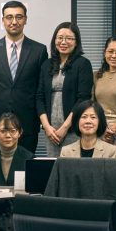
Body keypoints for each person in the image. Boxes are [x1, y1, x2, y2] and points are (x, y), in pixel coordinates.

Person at [0, 1, 49, 152]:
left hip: (27, 123)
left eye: (19, 17)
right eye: (9, 17)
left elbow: (41, 89)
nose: (14, 21)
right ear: (3, 20)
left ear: (25, 19)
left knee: (25, 171)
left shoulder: (39, 50)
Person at [37, 22, 93, 156]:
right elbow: (39, 97)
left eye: (69, 38)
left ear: (76, 42)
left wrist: (65, 128)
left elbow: (83, 99)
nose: (63, 42)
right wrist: (47, 127)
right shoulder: (47, 64)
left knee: (72, 169)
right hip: (51, 131)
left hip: (72, 129)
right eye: (60, 37)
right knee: (53, 169)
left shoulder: (83, 64)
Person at [0, 112, 33, 185]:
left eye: (13, 131)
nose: (8, 135)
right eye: (3, 131)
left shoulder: (29, 158)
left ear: (20, 132)